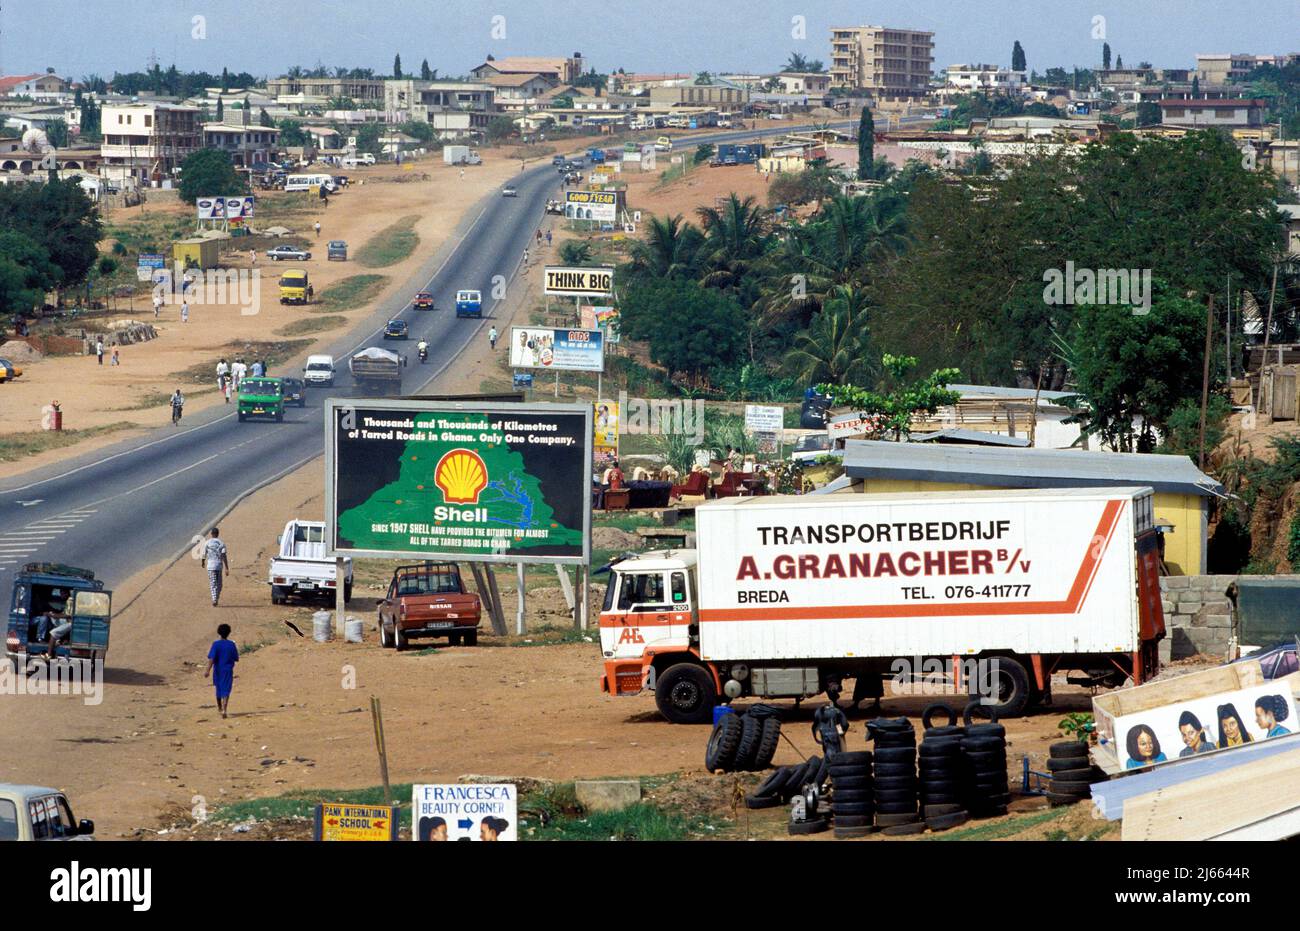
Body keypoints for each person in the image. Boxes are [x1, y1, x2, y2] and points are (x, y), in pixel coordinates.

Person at [204, 623, 239, 719]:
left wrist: (207, 670)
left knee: (218, 689)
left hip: (218, 670)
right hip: (228, 670)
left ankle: (219, 707)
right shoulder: (231, 644)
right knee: (226, 689)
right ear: (229, 633)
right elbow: (236, 658)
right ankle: (225, 709)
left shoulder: (216, 644)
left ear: (219, 632)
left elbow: (211, 659)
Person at [202, 526, 229, 607]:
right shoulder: (221, 543)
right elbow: (224, 556)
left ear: (211, 534)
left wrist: (203, 562)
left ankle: (215, 599)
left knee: (213, 583)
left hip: (210, 566)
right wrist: (227, 567)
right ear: (218, 534)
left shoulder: (207, 543)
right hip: (219, 566)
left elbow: (204, 554)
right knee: (219, 584)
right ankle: (215, 599)